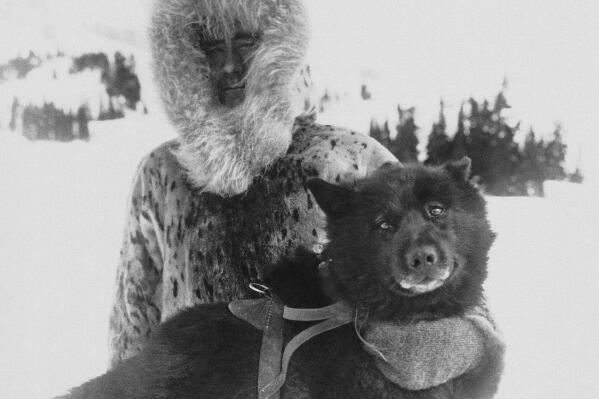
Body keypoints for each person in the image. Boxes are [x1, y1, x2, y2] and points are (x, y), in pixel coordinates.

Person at [108, 0, 503, 390]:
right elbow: (133, 317)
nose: (228, 65)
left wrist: (463, 342)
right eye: (211, 49)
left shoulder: (345, 155)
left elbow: (454, 277)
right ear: (182, 62)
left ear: (282, 49)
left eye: (245, 44)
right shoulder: (161, 174)